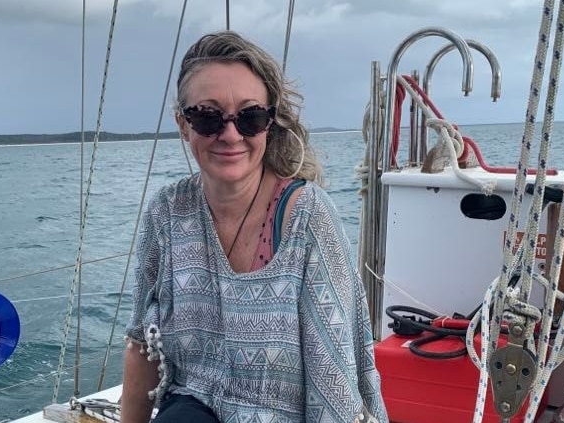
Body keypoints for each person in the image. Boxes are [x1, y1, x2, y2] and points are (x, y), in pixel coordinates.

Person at [122, 30, 387, 423]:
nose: (230, 135)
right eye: (208, 117)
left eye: (250, 117)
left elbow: (333, 382)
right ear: (183, 124)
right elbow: (143, 344)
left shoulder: (307, 218)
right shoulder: (167, 212)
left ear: (270, 122)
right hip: (194, 408)